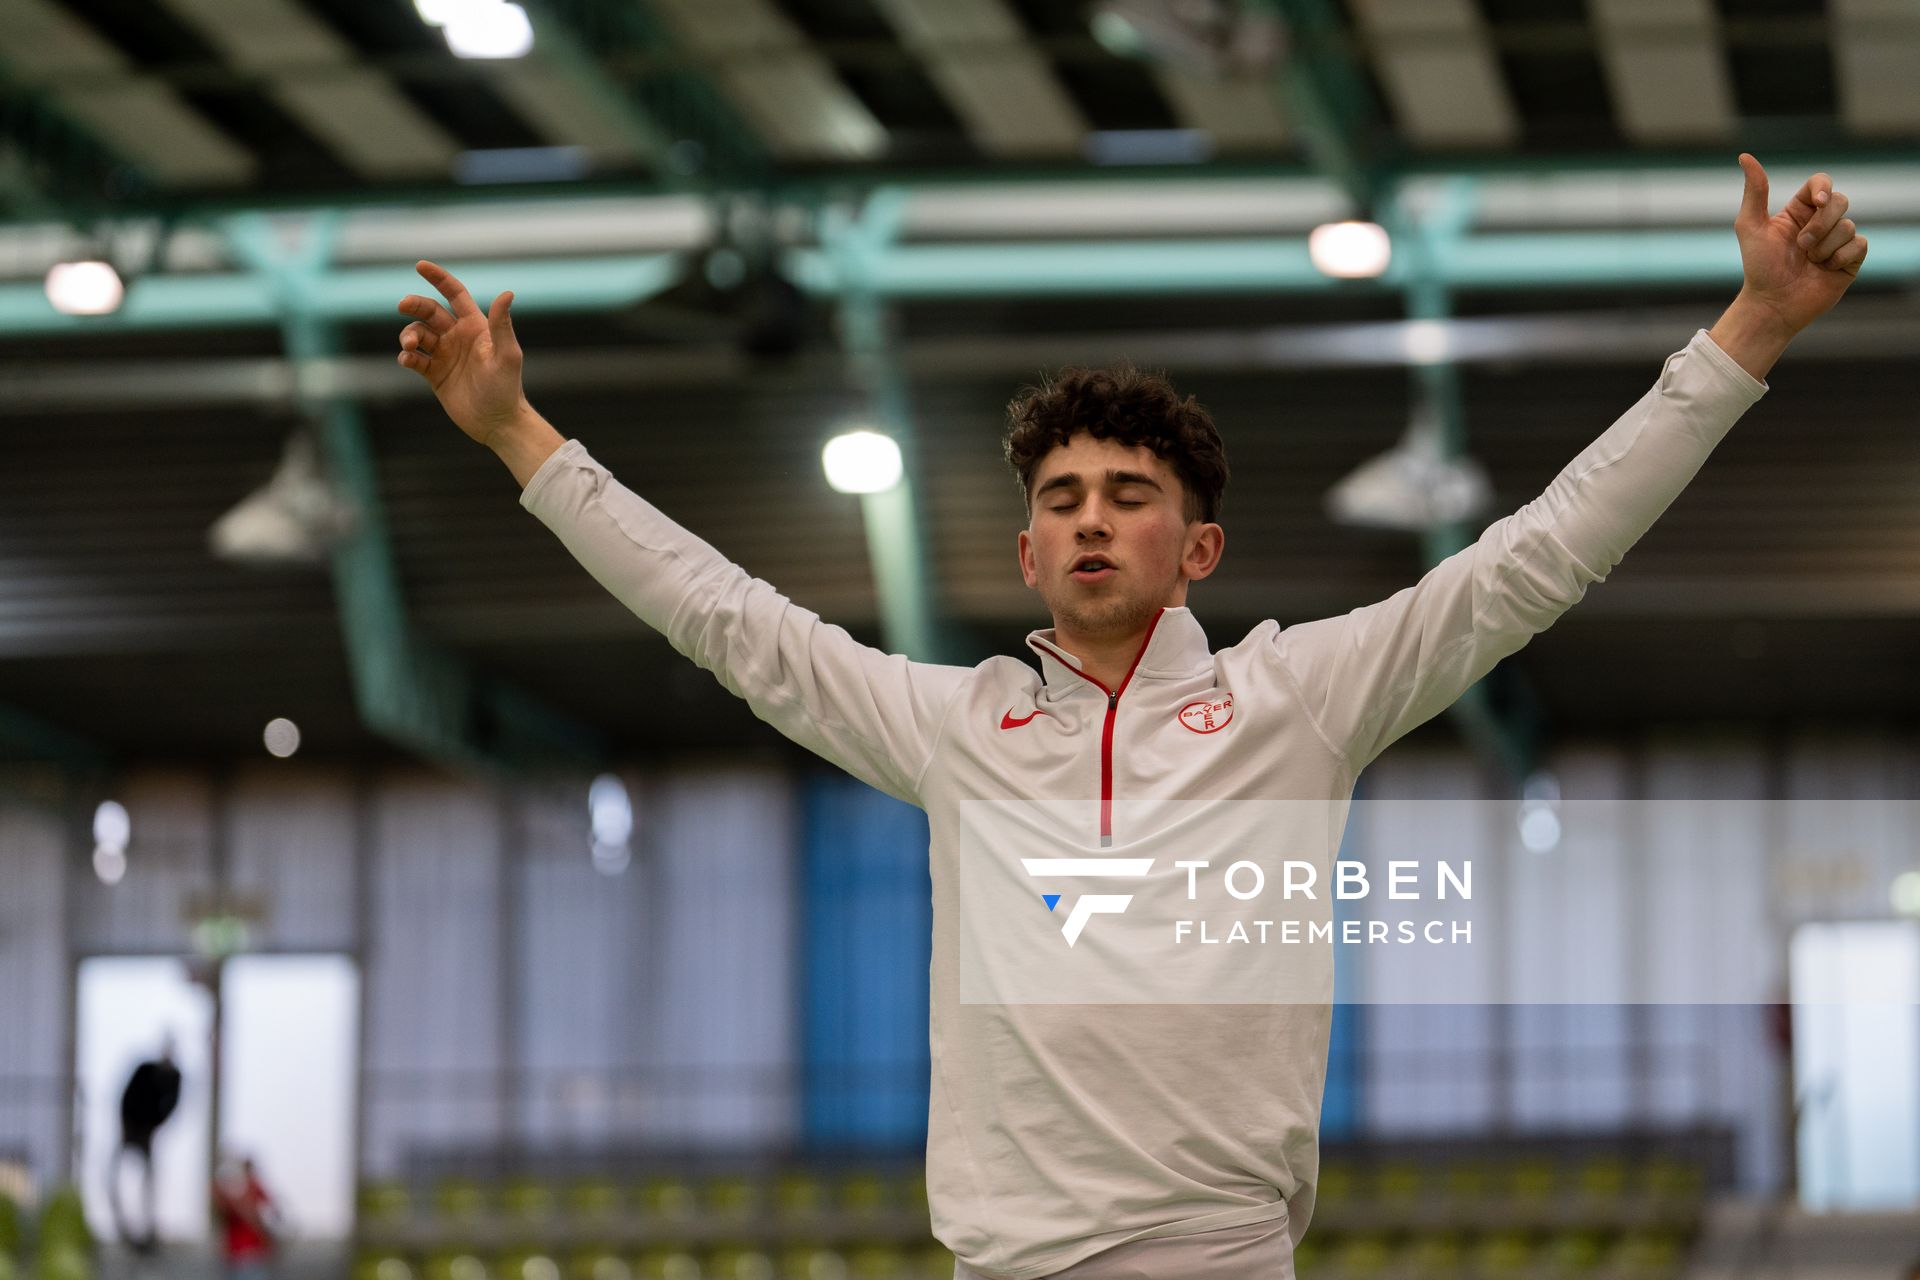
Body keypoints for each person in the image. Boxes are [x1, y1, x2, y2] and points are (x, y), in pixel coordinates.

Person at [395, 155, 1864, 1280]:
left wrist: (1750, 326)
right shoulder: (950, 726)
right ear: (1028, 551)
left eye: (1130, 496)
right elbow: (723, 617)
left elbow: (1539, 555)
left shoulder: (1302, 698)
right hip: (998, 1258)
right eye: (1061, 500)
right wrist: (521, 434)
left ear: (1196, 548)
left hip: (1215, 1251)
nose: (1092, 520)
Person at [111, 1036, 181, 1255]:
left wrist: (152, 1129)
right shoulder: (145, 1069)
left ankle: (147, 1227)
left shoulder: (175, 1077)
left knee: (149, 1181)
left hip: (147, 1131)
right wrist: (126, 1126)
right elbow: (126, 1096)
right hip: (130, 1128)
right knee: (114, 1178)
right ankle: (123, 1226)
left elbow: (171, 1107)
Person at [212, 1155, 279, 1280]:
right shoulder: (231, 1195)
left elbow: (273, 1211)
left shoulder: (253, 1188)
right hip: (237, 1255)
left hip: (251, 1254)